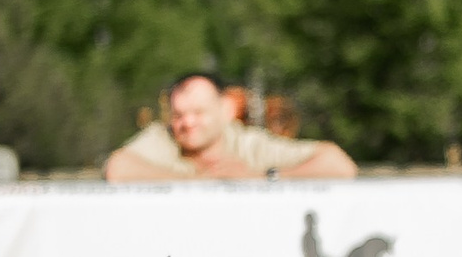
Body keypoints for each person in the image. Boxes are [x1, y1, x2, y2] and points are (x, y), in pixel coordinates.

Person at [103, 71, 358, 182]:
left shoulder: (248, 144)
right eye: (178, 115)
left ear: (225, 110)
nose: (187, 123)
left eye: (198, 113)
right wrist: (194, 182)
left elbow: (340, 165)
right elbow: (117, 168)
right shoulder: (163, 138)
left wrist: (263, 178)